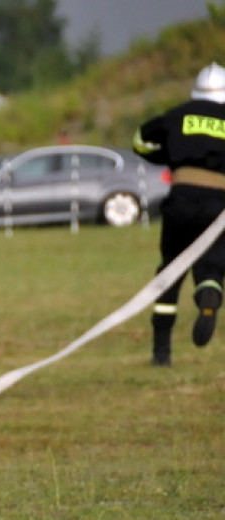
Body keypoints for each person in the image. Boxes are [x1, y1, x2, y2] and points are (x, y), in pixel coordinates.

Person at [133, 62, 225, 366]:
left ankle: (161, 354)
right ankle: (209, 296)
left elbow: (140, 140)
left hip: (182, 196)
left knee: (171, 268)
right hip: (219, 202)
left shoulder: (179, 114)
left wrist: (169, 156)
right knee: (211, 266)